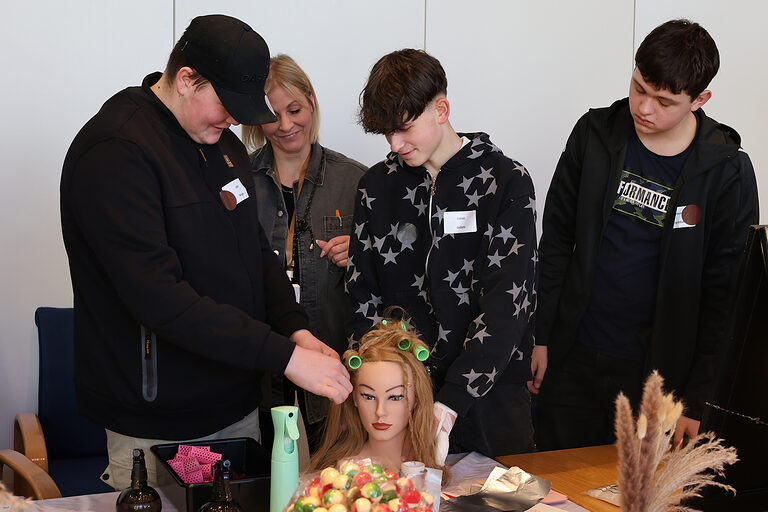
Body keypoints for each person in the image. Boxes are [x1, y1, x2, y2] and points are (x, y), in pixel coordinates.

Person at [60, 14, 352, 489]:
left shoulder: (223, 146)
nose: (235, 118)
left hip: (235, 405)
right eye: (225, 103)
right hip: (156, 420)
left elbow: (256, 254)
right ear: (185, 79)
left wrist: (294, 329)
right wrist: (284, 357)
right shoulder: (116, 150)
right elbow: (159, 297)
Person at [535, 19, 759, 451]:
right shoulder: (594, 133)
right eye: (639, 87)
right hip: (574, 357)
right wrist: (541, 335)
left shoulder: (726, 171)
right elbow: (557, 240)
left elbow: (726, 295)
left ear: (700, 100)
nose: (644, 108)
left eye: (664, 101)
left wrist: (698, 398)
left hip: (660, 375)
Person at [346, 49, 538, 460]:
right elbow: (362, 294)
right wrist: (377, 385)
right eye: (386, 134)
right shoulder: (376, 187)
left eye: (404, 129)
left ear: (441, 109)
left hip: (492, 398)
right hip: (399, 401)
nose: (395, 145)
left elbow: (509, 304)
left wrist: (450, 403)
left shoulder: (506, 181)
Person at [241, 55, 366, 450]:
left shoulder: (357, 180)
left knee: (339, 479)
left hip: (334, 355)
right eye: (272, 115)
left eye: (294, 110)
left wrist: (361, 254)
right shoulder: (236, 180)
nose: (285, 125)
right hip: (256, 363)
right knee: (259, 483)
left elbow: (386, 276)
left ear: (312, 102)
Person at [309, 318, 439, 472]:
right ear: (355, 397)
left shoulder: (428, 464)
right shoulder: (344, 471)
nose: (380, 411)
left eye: (395, 397)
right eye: (368, 396)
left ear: (417, 397)